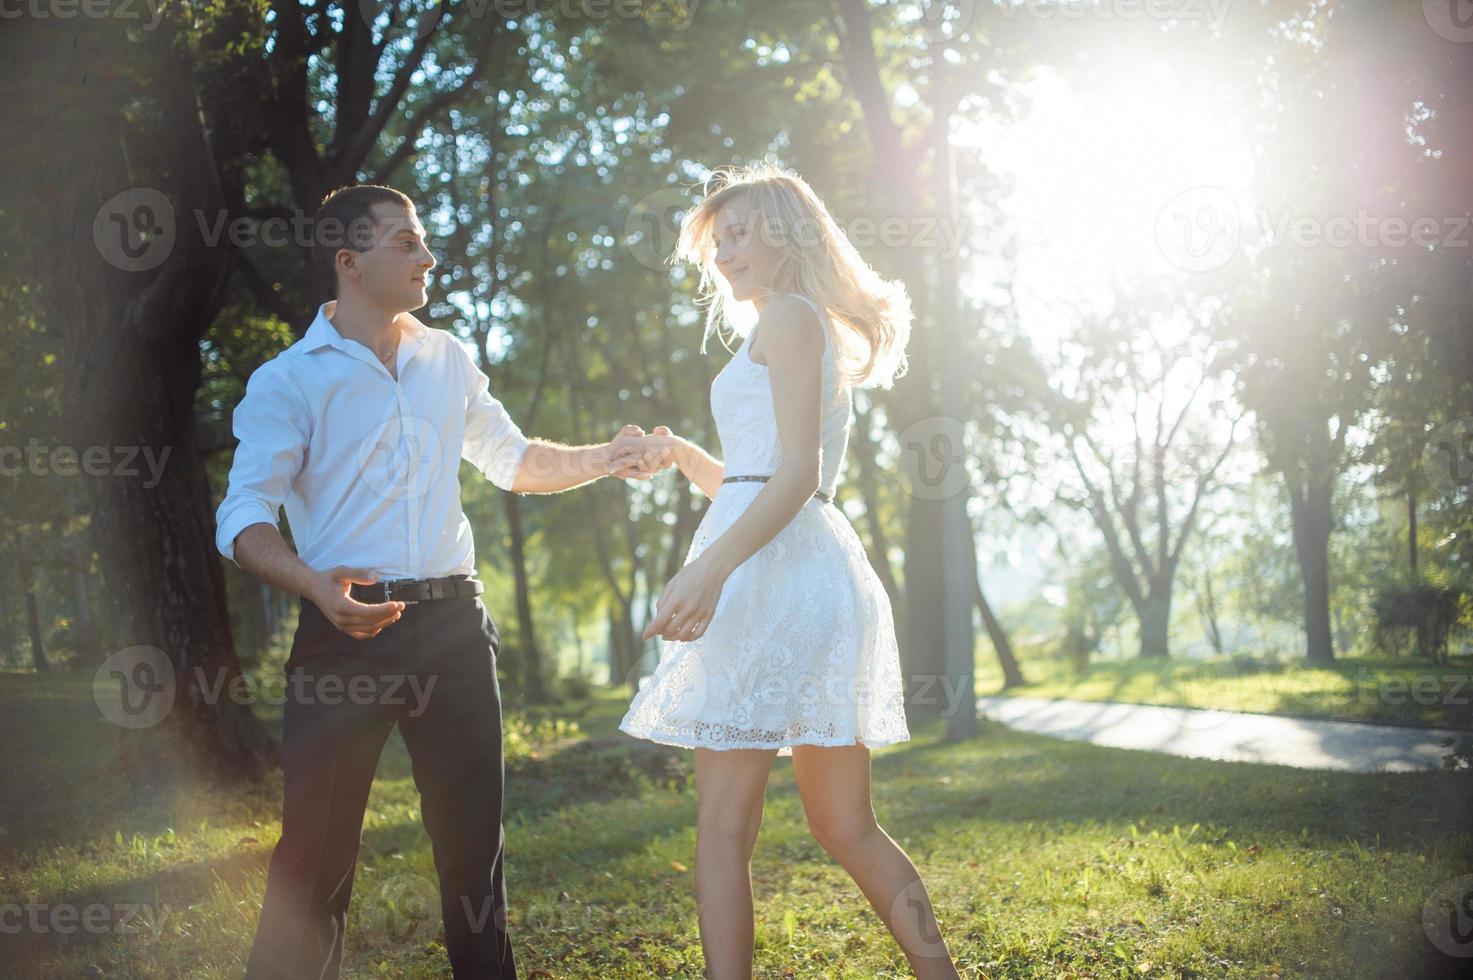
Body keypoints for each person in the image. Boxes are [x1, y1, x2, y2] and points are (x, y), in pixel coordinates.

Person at [214, 183, 659, 980]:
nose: (427, 256)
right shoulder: (288, 381)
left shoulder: (447, 357)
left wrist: (604, 457)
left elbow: (513, 461)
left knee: (471, 863)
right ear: (349, 263)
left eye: (423, 240)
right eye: (406, 243)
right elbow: (243, 518)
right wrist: (315, 585)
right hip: (340, 637)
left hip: (455, 632)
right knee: (312, 865)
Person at [619, 165, 961, 979]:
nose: (724, 252)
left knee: (723, 830)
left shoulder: (792, 316)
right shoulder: (783, 322)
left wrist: (709, 571)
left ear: (788, 233)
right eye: (718, 240)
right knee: (842, 825)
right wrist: (679, 457)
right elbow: (755, 477)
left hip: (774, 576)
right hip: (786, 563)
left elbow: (798, 477)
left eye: (740, 233)